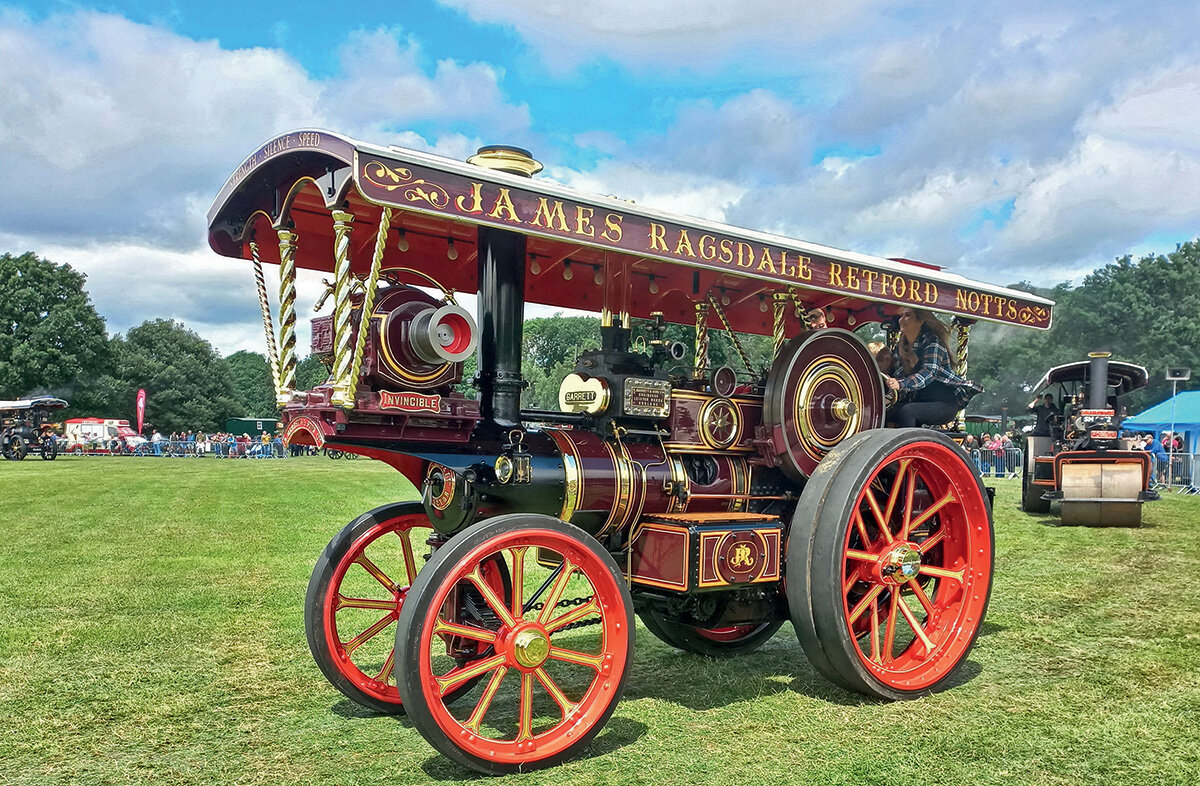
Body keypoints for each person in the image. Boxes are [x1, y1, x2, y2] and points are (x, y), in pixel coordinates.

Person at [882, 307, 982, 428]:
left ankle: (907, 446)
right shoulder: (900, 348)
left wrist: (900, 384)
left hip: (943, 403)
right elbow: (896, 377)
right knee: (884, 411)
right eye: (901, 316)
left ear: (921, 320)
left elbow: (929, 373)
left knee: (908, 411)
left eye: (907, 315)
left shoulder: (933, 342)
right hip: (919, 401)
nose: (901, 320)